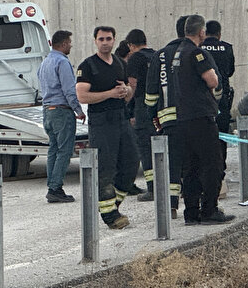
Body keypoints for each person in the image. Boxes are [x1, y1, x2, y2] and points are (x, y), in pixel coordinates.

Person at [170, 15, 234, 225]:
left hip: (183, 117)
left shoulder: (179, 52)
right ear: (201, 32)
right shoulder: (197, 52)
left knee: (191, 166)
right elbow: (212, 80)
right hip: (201, 115)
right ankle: (209, 210)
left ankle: (191, 212)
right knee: (212, 164)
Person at [76, 26, 137, 229]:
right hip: (101, 122)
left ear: (114, 40)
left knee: (130, 164)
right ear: (95, 41)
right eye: (101, 39)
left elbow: (129, 93)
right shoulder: (88, 66)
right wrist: (109, 94)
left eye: (108, 38)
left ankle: (112, 205)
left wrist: (125, 91)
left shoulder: (120, 63)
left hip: (121, 118)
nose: (105, 42)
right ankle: (109, 216)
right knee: (106, 168)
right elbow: (82, 96)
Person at [145, 16, 188, 218]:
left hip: (168, 120)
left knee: (173, 162)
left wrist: (152, 115)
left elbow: (151, 93)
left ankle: (171, 205)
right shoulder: (196, 52)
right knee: (196, 161)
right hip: (195, 119)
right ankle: (195, 203)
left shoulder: (160, 55)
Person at [38, 29, 85, 203]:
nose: (71, 45)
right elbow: (69, 90)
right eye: (70, 42)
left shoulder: (45, 62)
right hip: (62, 111)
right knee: (64, 150)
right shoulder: (62, 62)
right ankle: (55, 188)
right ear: (64, 43)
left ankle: (52, 186)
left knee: (53, 149)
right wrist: (78, 110)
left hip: (47, 110)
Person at [124, 29, 158, 201]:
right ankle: (166, 183)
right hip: (159, 108)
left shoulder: (135, 59)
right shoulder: (157, 55)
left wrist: (127, 108)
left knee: (145, 148)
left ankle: (152, 187)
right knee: (160, 147)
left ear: (131, 45)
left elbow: (133, 85)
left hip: (142, 108)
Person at [202, 20, 236, 168]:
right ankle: (220, 165)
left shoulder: (199, 48)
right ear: (219, 34)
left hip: (203, 97)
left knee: (204, 133)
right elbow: (230, 71)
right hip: (222, 98)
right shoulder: (227, 48)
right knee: (222, 133)